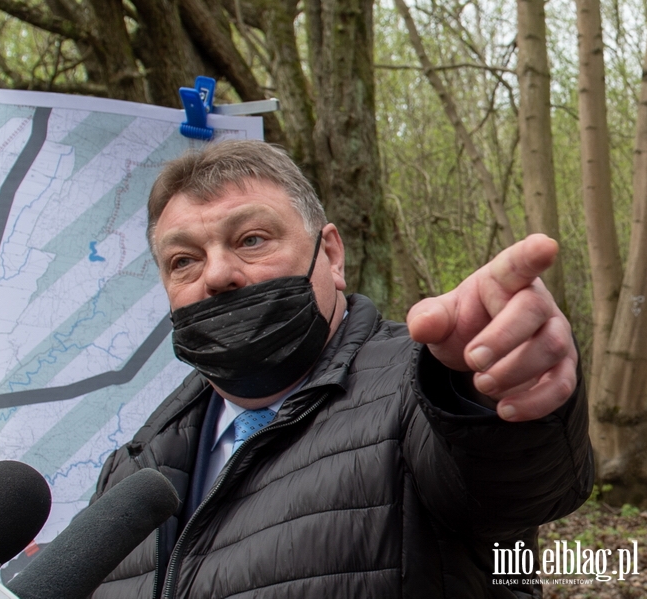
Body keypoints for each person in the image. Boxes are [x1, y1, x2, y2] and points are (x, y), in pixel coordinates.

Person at [90, 140, 593, 598]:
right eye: (183, 261)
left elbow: (510, 482)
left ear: (330, 254)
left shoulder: (419, 391)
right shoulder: (133, 466)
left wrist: (488, 389)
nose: (218, 274)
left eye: (250, 240)